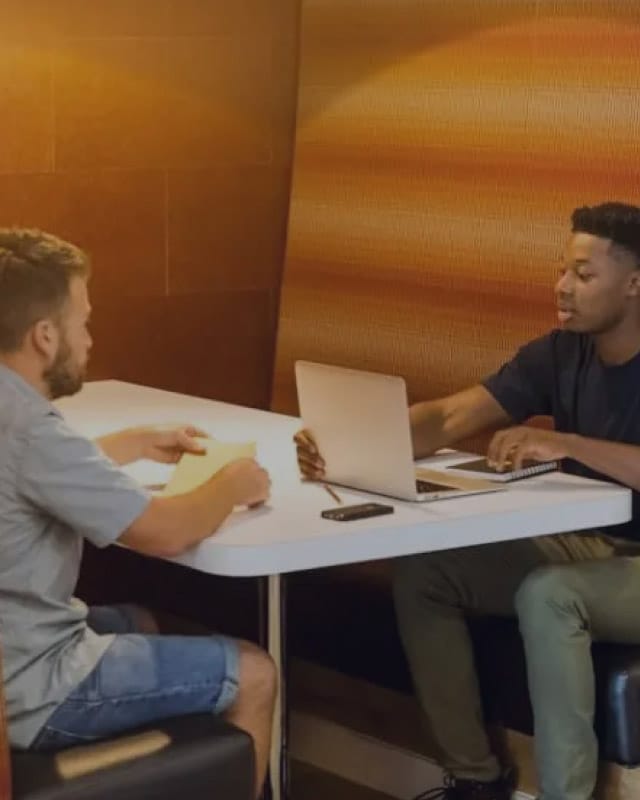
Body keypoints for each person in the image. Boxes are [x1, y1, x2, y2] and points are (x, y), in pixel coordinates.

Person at [295, 202, 640, 800]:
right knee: (429, 571)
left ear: (634, 283)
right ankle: (477, 778)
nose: (563, 287)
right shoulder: (561, 352)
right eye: (563, 271)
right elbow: (453, 415)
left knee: (550, 594)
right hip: (589, 544)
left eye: (584, 276)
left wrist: (561, 441)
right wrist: (350, 437)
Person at [0, 228, 275, 799]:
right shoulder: (31, 428)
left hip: (15, 651)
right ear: (45, 337)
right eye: (83, 322)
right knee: (254, 671)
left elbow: (29, 479)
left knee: (144, 620)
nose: (90, 339)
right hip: (32, 685)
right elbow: (165, 533)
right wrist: (231, 483)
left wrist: (131, 443)